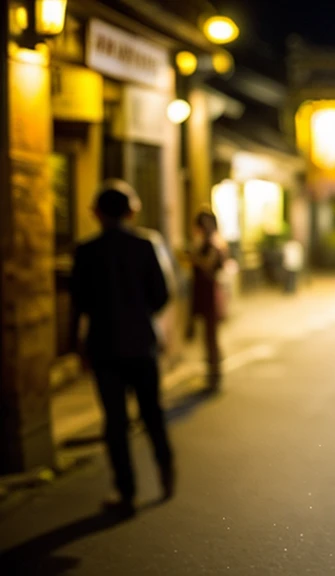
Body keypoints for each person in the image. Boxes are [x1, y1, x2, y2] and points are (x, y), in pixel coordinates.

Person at [71, 180, 175, 517]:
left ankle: (126, 491)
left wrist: (79, 345)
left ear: (96, 213)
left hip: (104, 346)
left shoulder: (86, 251)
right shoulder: (145, 246)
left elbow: (79, 303)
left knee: (115, 422)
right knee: (152, 412)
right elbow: (161, 295)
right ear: (132, 211)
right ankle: (165, 470)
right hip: (141, 342)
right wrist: (142, 314)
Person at [187, 210, 227, 391]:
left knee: (211, 335)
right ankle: (212, 371)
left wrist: (193, 257)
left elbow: (208, 264)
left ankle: (215, 372)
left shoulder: (214, 244)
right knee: (207, 335)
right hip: (202, 291)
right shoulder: (204, 242)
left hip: (211, 292)